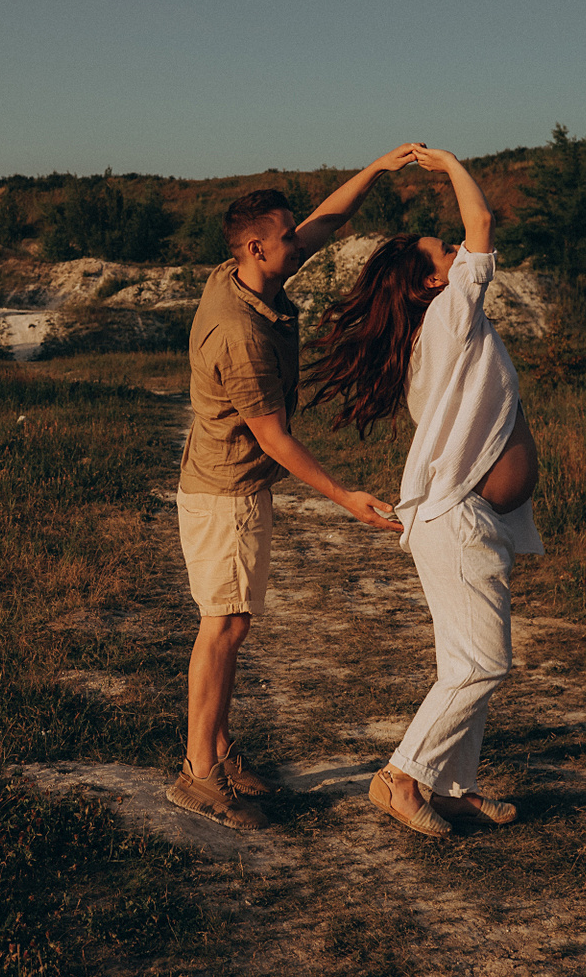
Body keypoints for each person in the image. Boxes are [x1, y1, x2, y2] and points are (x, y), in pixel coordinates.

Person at [167, 147, 418, 831]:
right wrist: (345, 497)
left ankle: (218, 751)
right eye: (286, 236)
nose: (297, 242)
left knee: (230, 622)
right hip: (226, 494)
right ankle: (199, 773)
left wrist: (376, 170)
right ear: (256, 247)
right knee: (223, 626)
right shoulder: (241, 332)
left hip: (228, 486)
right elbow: (275, 438)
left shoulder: (243, 274)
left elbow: (324, 224)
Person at [303, 144, 539, 836]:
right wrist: (452, 165)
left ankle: (452, 785)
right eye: (445, 252)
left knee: (465, 662)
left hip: (469, 522)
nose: (458, 251)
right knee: (484, 664)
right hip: (458, 523)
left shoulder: (442, 331)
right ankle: (401, 775)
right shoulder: (449, 315)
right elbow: (484, 224)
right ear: (434, 282)